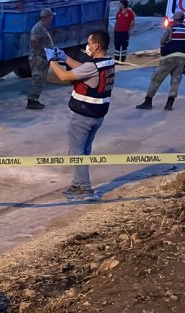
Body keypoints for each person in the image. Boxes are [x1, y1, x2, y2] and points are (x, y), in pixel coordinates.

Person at [47, 30, 115, 201]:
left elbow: (63, 76)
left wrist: (52, 61)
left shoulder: (93, 66)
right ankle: (77, 183)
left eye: (89, 43)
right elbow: (85, 70)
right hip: (97, 116)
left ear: (96, 45)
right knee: (82, 150)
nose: (88, 46)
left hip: (83, 116)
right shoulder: (107, 62)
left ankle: (85, 189)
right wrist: (64, 57)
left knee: (77, 152)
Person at [135, 10, 185, 111]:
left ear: (175, 19)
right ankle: (169, 104)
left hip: (169, 58)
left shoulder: (171, 29)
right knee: (175, 81)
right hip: (182, 59)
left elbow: (162, 41)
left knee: (157, 79)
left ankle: (148, 101)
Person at [27, 8, 56, 110]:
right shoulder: (38, 28)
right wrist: (43, 51)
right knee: (38, 79)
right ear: (46, 17)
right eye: (50, 16)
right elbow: (34, 41)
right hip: (38, 58)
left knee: (41, 79)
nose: (51, 18)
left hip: (41, 57)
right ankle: (32, 101)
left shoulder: (42, 27)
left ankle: (34, 100)